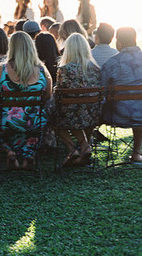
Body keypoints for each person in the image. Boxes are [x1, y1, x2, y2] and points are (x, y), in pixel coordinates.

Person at [0, 31, 52, 170]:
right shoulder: (42, 70)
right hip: (35, 120)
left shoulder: (1, 69)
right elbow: (47, 96)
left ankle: (10, 151)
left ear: (11, 47)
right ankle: (28, 154)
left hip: (6, 121)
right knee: (32, 126)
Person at [54, 33, 101, 166]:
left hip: (70, 115)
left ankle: (73, 149)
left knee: (53, 118)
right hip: (93, 114)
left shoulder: (64, 69)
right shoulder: (95, 68)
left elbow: (59, 94)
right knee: (77, 112)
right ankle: (85, 146)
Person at [100, 26, 142, 164]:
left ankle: (85, 147)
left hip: (117, 116)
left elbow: (102, 90)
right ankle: (136, 152)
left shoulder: (111, 63)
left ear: (119, 42)